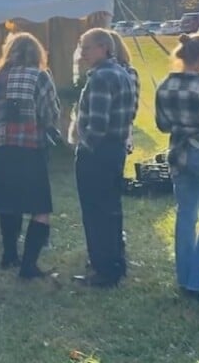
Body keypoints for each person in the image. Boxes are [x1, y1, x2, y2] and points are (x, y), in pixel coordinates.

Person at [155, 34, 199, 300]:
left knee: (185, 215)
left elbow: (162, 124)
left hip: (178, 152)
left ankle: (185, 278)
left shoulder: (165, 85)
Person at [0, 33, 61, 278]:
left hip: (1, 148)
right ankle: (29, 266)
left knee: (9, 204)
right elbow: (50, 113)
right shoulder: (40, 76)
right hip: (29, 149)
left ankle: (9, 256)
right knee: (40, 208)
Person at [75, 28, 136, 288]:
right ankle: (115, 263)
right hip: (116, 148)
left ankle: (102, 270)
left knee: (95, 212)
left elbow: (97, 125)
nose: (83, 53)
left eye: (87, 47)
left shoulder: (100, 78)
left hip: (98, 152)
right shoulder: (123, 73)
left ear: (103, 48)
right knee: (111, 209)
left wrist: (81, 147)